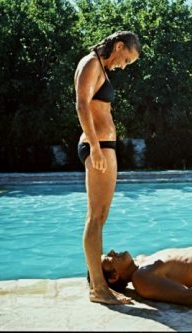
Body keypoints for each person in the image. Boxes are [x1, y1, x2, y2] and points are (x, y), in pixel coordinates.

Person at [74, 31, 140, 304]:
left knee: (100, 217)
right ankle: (98, 289)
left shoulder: (100, 67)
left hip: (103, 144)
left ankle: (99, 285)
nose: (124, 66)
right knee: (95, 217)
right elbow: (81, 105)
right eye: (126, 59)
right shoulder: (91, 63)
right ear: (119, 45)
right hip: (97, 145)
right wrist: (96, 147)